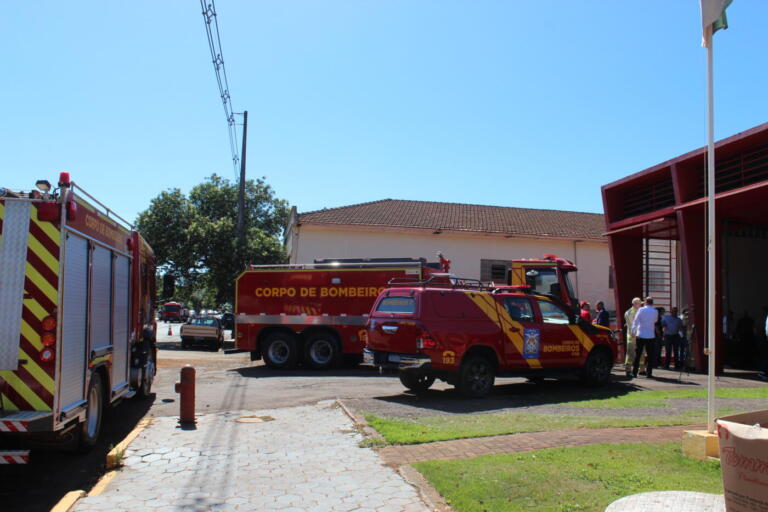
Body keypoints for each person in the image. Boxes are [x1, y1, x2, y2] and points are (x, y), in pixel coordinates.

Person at [632, 297, 659, 378]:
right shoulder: (655, 311)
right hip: (650, 335)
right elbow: (655, 321)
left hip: (641, 334)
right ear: (652, 303)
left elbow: (636, 321)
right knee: (650, 355)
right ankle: (649, 373)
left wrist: (633, 331)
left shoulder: (641, 310)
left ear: (646, 302)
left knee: (638, 354)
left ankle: (634, 372)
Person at [623, 298, 642, 377]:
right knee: (630, 353)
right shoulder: (629, 313)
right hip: (632, 336)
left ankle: (642, 369)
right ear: (634, 304)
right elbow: (631, 326)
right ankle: (628, 370)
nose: (640, 305)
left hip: (639, 336)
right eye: (639, 303)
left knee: (641, 352)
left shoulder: (639, 311)